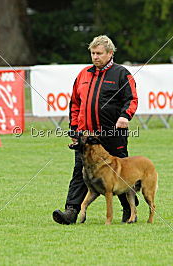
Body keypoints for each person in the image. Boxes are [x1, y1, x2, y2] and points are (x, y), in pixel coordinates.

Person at [52, 35, 139, 225]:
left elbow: (131, 99)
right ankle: (71, 211)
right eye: (92, 53)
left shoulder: (122, 74)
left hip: (112, 134)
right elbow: (75, 103)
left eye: (99, 53)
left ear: (110, 53)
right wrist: (74, 129)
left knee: (120, 173)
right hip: (86, 136)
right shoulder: (83, 74)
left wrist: (125, 116)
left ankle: (128, 209)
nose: (95, 57)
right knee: (79, 172)